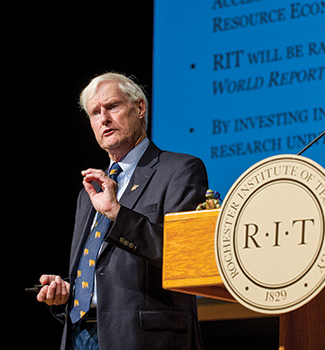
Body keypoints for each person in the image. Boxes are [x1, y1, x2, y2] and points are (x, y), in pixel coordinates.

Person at [36, 72, 208, 349]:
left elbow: (183, 255)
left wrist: (117, 212)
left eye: (112, 106)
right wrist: (69, 290)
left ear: (140, 108)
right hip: (81, 335)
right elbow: (101, 268)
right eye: (95, 112)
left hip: (144, 338)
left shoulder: (179, 170)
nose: (103, 118)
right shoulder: (88, 193)